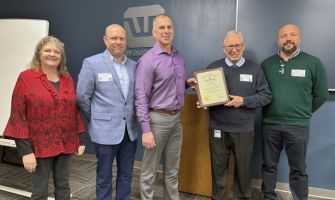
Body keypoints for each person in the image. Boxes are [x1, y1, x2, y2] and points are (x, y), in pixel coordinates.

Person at [3, 36, 85, 200]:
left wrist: (80, 140)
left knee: (63, 187)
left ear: (61, 57)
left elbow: (73, 110)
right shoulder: (26, 77)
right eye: (47, 50)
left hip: (66, 142)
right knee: (40, 192)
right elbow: (18, 115)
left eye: (57, 51)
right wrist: (26, 152)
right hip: (39, 145)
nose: (52, 54)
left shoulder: (67, 79)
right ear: (38, 53)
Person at [199, 30, 272, 200]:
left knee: (244, 171)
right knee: (218, 169)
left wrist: (244, 101)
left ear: (243, 46)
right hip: (218, 128)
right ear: (224, 48)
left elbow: (266, 96)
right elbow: (205, 95)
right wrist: (202, 102)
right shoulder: (213, 68)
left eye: (237, 45)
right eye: (230, 46)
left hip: (244, 129)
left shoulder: (255, 68)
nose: (234, 49)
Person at [261, 24, 329, 200]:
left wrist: (302, 112)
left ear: (299, 38)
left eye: (292, 34)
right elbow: (260, 93)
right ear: (278, 40)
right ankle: (268, 197)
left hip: (298, 126)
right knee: (269, 165)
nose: (288, 38)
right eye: (283, 35)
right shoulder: (267, 64)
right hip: (270, 124)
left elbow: (321, 94)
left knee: (298, 168)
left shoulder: (313, 63)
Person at [135, 14, 196, 200]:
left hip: (176, 119)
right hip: (157, 121)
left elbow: (166, 86)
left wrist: (186, 84)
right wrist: (145, 130)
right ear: (154, 32)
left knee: (172, 170)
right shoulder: (148, 60)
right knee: (149, 171)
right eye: (161, 28)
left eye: (169, 27)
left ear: (173, 31)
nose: (166, 31)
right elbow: (141, 97)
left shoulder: (178, 56)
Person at [76, 24, 138, 200]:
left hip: (129, 131)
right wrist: (96, 117)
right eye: (113, 38)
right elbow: (82, 97)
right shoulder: (92, 63)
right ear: (105, 40)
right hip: (104, 131)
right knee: (104, 177)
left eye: (121, 38)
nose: (118, 42)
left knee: (126, 175)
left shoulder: (134, 66)